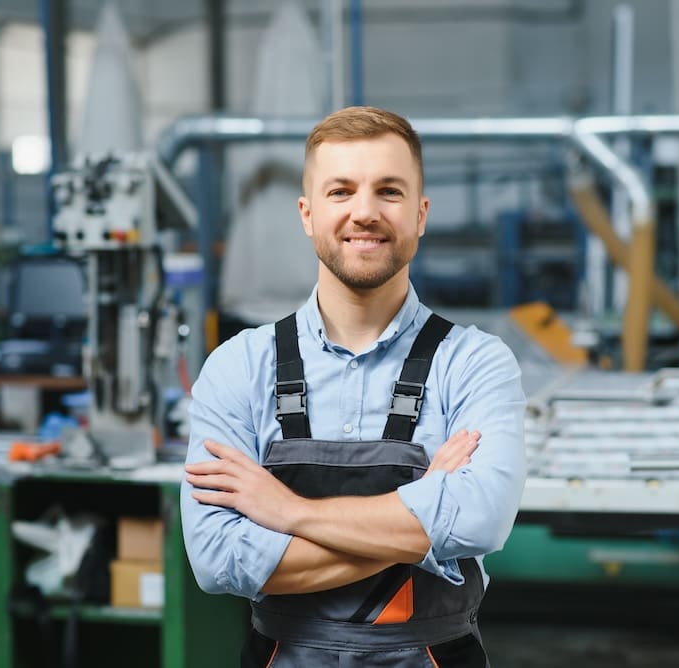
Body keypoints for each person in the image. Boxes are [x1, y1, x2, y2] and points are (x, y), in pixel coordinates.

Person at [181, 106, 526, 667]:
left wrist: (287, 511)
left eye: (388, 191)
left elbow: (479, 519)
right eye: (340, 191)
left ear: (420, 214)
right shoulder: (238, 367)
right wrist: (420, 526)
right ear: (307, 213)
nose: (364, 212)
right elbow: (217, 561)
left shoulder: (475, 363)